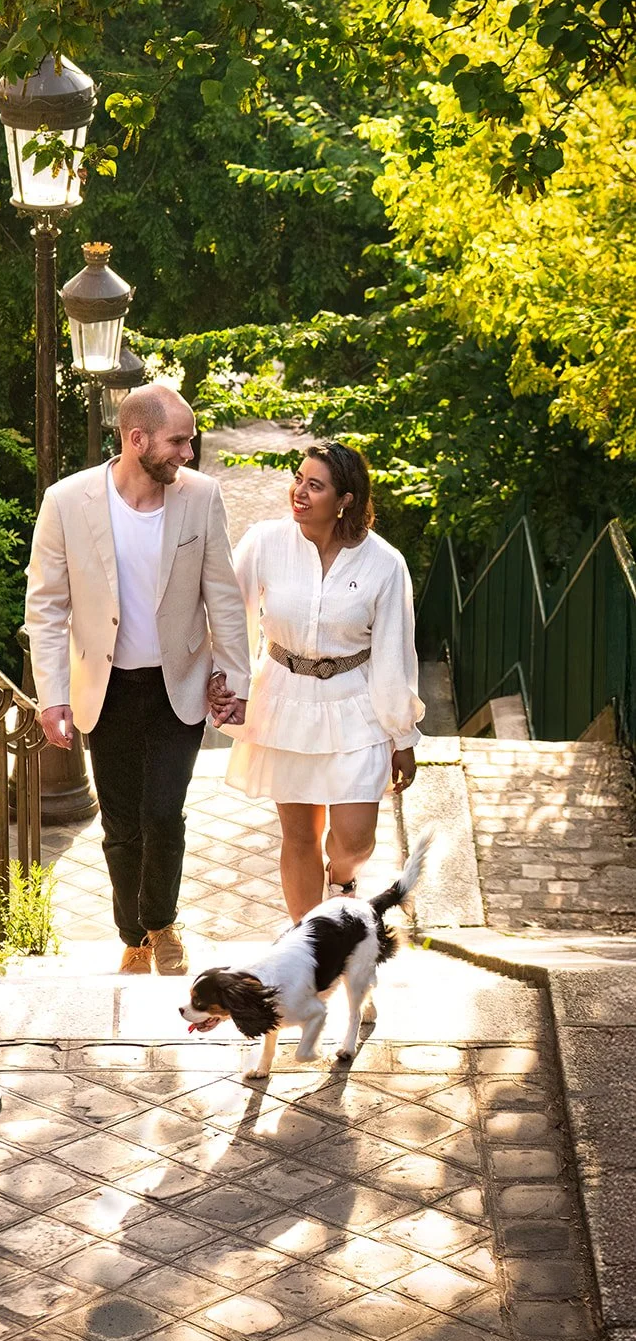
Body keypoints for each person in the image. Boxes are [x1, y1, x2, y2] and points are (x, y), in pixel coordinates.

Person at [25, 383, 252, 975]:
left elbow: (223, 596)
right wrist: (53, 697)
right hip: (107, 689)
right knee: (122, 822)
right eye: (179, 440)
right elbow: (46, 606)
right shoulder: (66, 501)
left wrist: (236, 678)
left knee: (163, 813)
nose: (188, 449)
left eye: (190, 438)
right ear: (136, 439)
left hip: (179, 685)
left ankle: (164, 924)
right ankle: (135, 937)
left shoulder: (201, 498)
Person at [210, 441, 424, 922]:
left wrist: (403, 736)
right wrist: (229, 683)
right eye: (298, 479)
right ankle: (305, 954)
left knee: (355, 840)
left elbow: (395, 654)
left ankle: (343, 877)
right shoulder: (266, 541)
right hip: (285, 699)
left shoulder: (385, 564)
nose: (298, 493)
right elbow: (229, 614)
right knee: (299, 836)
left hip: (357, 704)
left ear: (344, 499)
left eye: (315, 485)